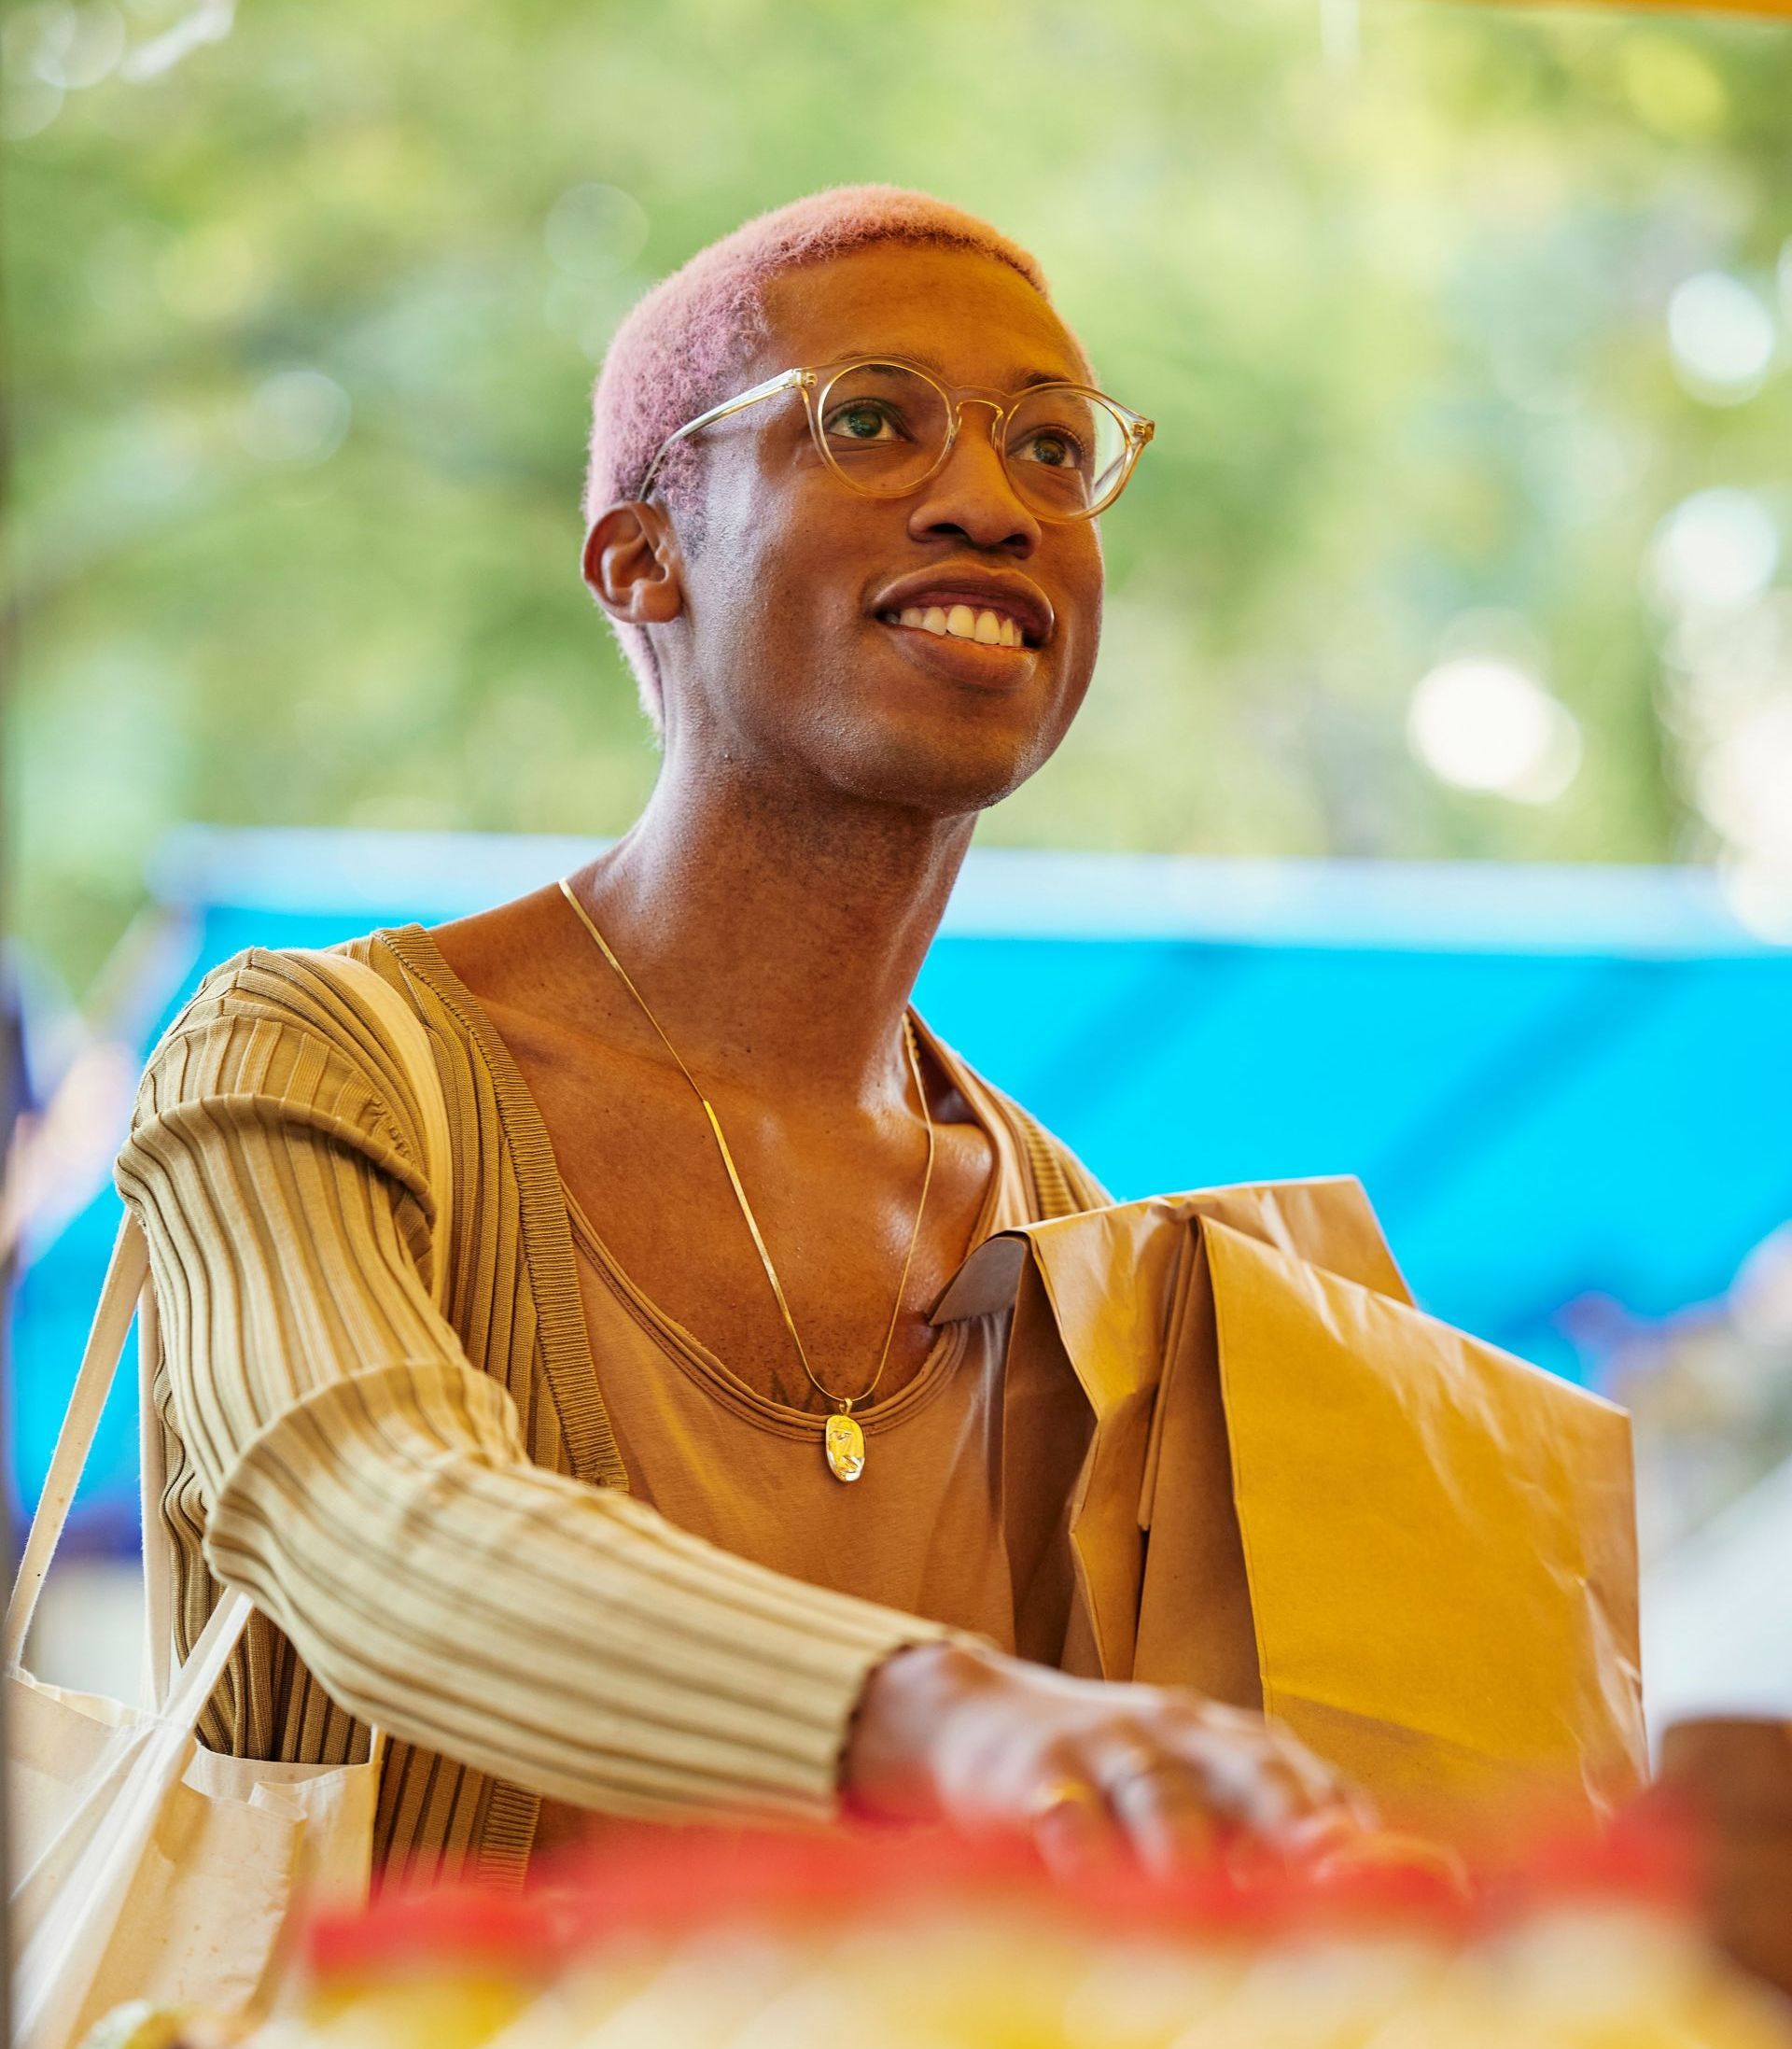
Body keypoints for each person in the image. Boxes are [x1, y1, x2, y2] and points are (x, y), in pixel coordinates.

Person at [114, 186, 1365, 1893]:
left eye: (1057, 452)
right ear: (645, 558)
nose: (994, 504)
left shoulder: (1073, 1235)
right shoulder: (318, 1062)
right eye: (868, 421)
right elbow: (365, 1518)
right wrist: (936, 1721)